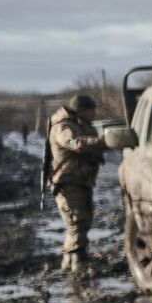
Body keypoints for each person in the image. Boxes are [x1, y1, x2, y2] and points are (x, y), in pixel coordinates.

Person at [47, 93, 104, 274]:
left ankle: (71, 260)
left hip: (82, 180)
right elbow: (73, 143)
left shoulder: (81, 125)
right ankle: (77, 261)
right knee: (76, 221)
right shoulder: (64, 127)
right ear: (82, 111)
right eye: (91, 110)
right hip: (68, 181)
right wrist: (99, 143)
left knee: (84, 220)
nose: (95, 113)